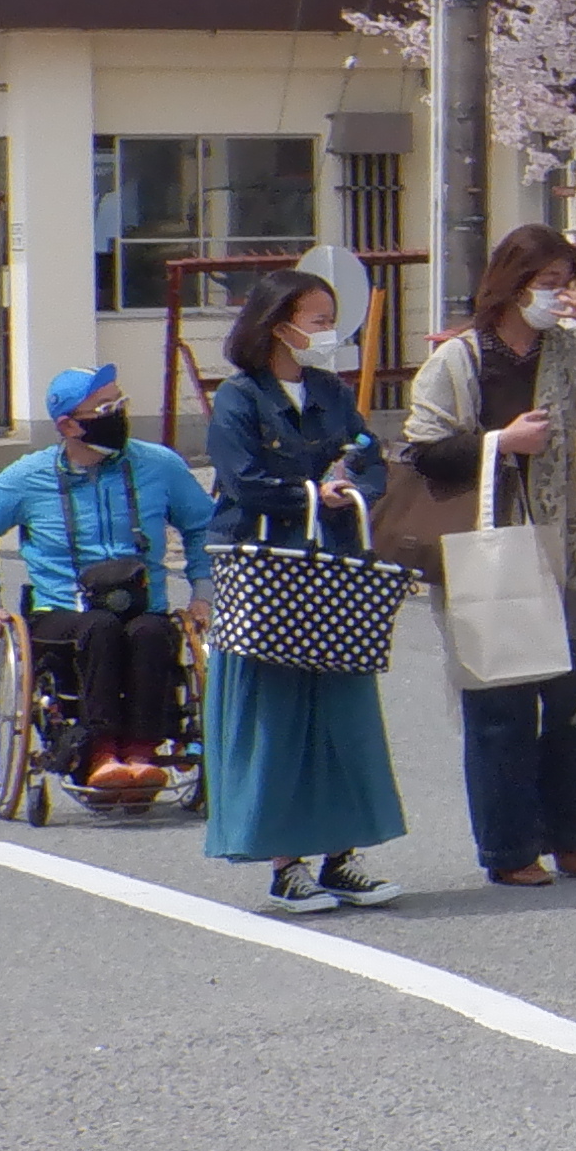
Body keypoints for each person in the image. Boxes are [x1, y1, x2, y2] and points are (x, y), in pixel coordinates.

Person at [406, 225, 576, 890]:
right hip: (491, 544)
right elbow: (423, 448)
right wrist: (500, 442)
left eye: (569, 281)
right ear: (512, 283)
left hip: (563, 543)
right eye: (548, 283)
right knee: (502, 705)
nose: (560, 295)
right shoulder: (461, 358)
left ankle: (567, 835)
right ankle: (509, 847)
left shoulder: (570, 348)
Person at [203, 268, 407, 915]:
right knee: (277, 713)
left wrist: (355, 486)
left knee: (343, 712)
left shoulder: (331, 391)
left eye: (330, 321)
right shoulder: (238, 399)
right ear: (277, 325)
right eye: (318, 321)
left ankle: (343, 854)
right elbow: (241, 478)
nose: (329, 334)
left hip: (330, 563)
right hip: (267, 568)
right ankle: (285, 861)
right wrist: (309, 489)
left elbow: (369, 455)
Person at [0, 363, 216, 797]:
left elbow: (202, 525)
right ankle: (98, 753)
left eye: (121, 403)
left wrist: (202, 593)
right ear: (68, 425)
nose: (119, 414)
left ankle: (140, 752)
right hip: (63, 612)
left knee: (152, 631)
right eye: (106, 407)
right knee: (99, 628)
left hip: (141, 605)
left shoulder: (158, 465)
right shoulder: (28, 476)